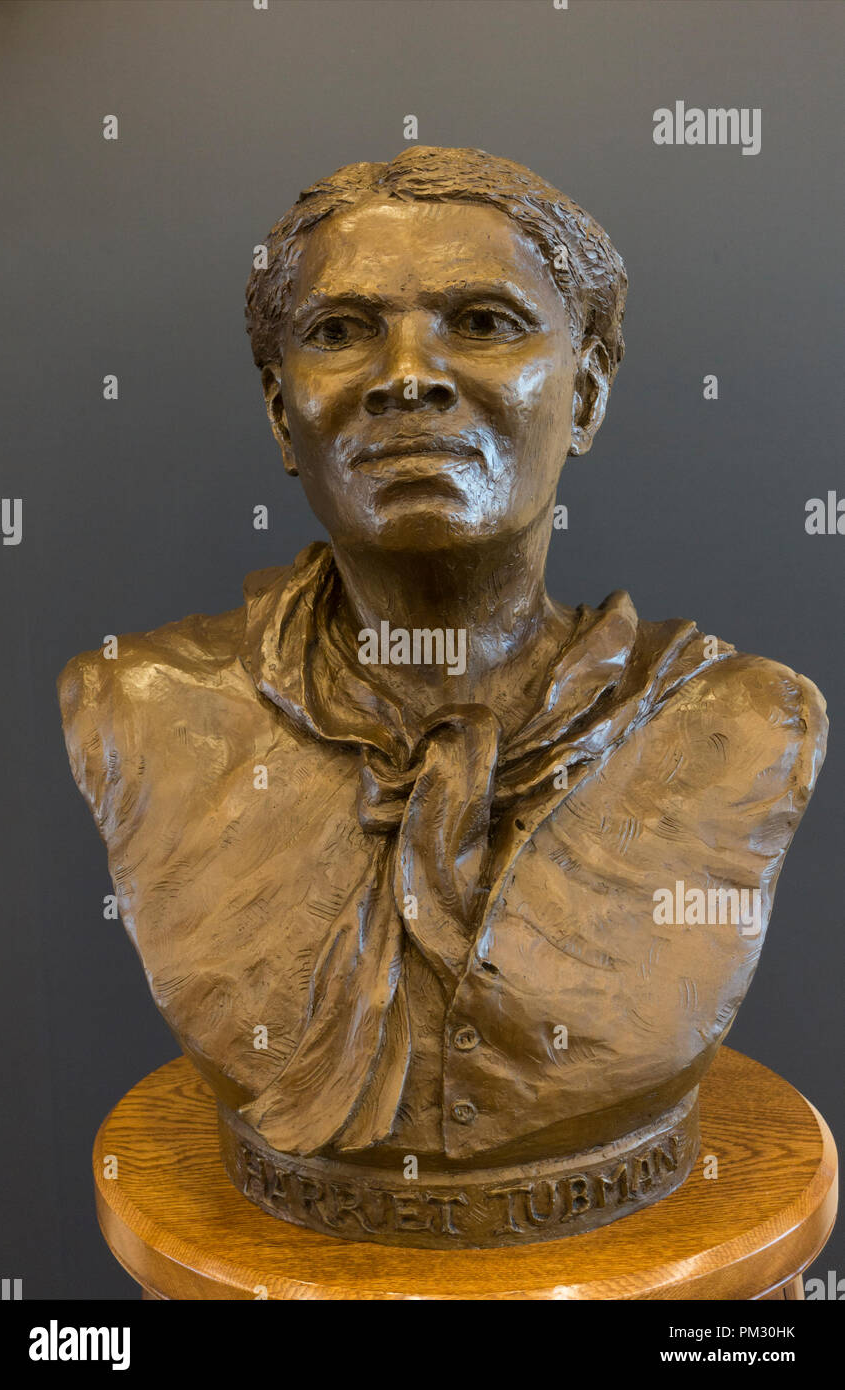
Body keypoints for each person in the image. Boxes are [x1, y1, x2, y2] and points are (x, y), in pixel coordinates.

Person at [59, 148, 826, 1244]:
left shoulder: (740, 725)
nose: (407, 374)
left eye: (481, 320)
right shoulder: (138, 708)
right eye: (340, 331)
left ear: (589, 392)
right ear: (284, 417)